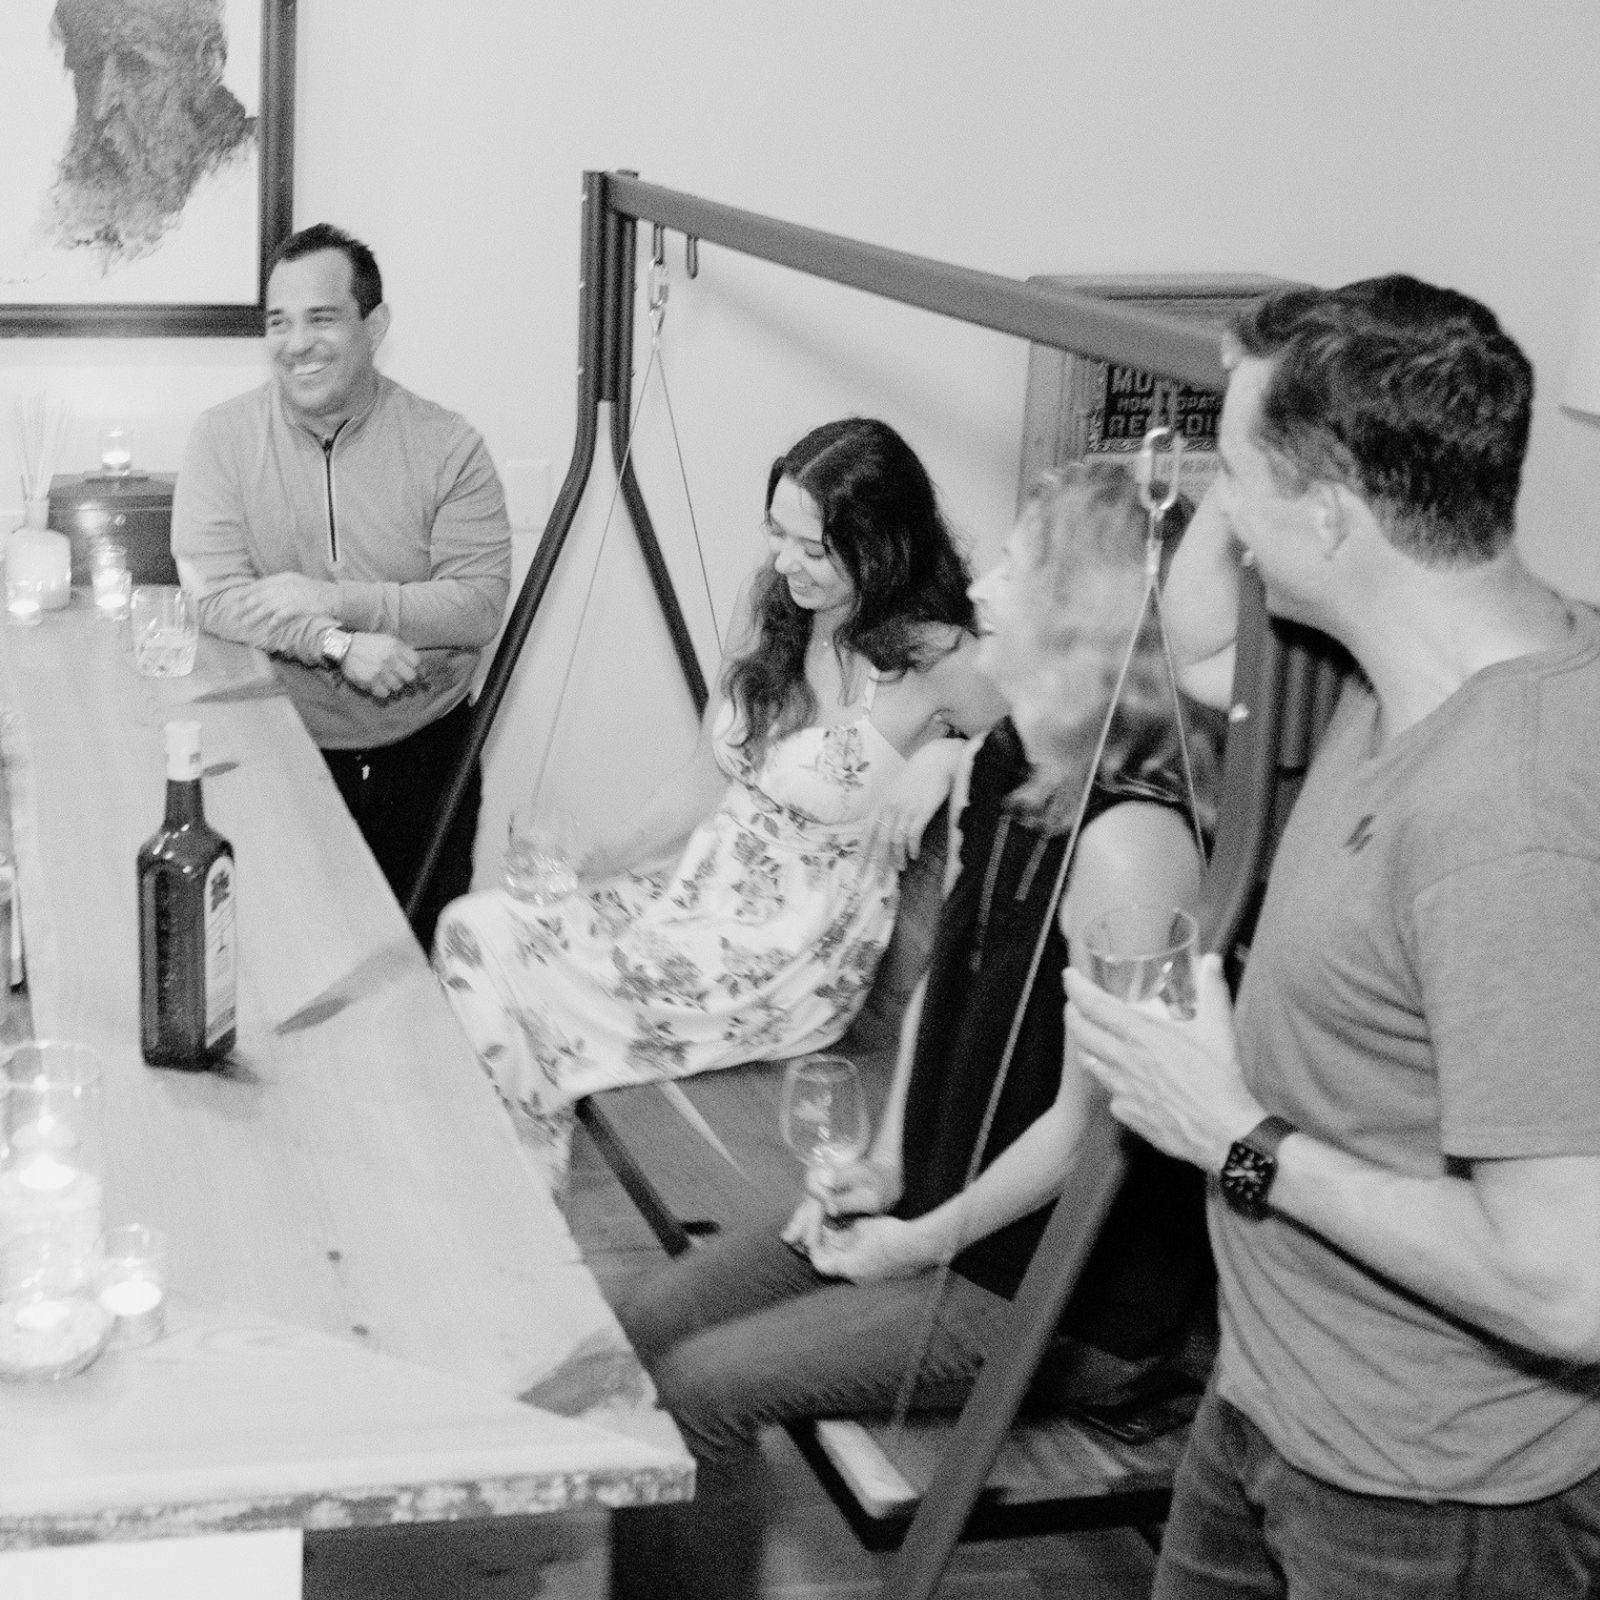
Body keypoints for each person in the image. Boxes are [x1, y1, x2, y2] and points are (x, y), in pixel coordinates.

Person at [1066, 276, 1600, 1598]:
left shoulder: (1506, 824)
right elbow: (1197, 641)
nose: (1217, 509)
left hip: (1428, 1501)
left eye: (1234, 476)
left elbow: (1566, 1289)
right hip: (1274, 1405)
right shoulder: (1389, 668)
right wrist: (1271, 365)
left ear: (1328, 514)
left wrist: (1234, 1136)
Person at [609, 461, 1215, 1600]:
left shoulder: (1138, 846)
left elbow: (1101, 1135)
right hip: (935, 1210)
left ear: (1086, 615)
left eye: (1021, 564)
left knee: (702, 1388)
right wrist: (886, 1162)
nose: (984, 582)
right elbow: (949, 968)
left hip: (1049, 1284)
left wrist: (922, 1237)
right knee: (646, 1316)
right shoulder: (1007, 760)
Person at [433, 418, 1003, 1190]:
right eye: (778, 533)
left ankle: (516, 1191)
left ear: (884, 543)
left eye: (814, 548)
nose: (785, 562)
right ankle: (528, 1173)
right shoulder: (774, 605)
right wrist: (598, 861)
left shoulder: (938, 658)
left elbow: (1058, 747)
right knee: (477, 929)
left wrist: (953, 755)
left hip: (792, 949)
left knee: (533, 982)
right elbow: (708, 777)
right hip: (700, 893)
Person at [172, 223, 511, 948]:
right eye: (278, 322)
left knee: (418, 970)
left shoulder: (449, 445)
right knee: (289, 967)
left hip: (427, 758)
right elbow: (216, 596)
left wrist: (332, 599)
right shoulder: (220, 439)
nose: (297, 343)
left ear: (375, 325)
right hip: (277, 754)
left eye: (322, 317)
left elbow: (477, 603)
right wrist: (335, 643)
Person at [49, 0, 254, 265]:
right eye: (88, 67)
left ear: (206, 65)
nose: (100, 107)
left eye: (135, 66)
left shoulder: (247, 174)